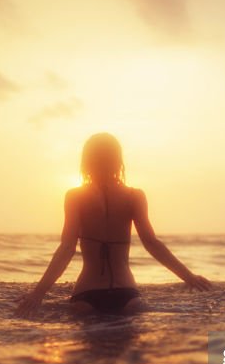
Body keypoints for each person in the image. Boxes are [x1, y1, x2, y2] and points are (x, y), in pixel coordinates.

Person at [16, 132, 211, 316]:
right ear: (118, 160)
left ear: (86, 161)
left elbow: (67, 248)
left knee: (84, 349)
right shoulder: (134, 196)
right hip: (127, 295)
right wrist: (189, 278)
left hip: (87, 295)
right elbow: (152, 244)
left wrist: (38, 294)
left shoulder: (75, 196)